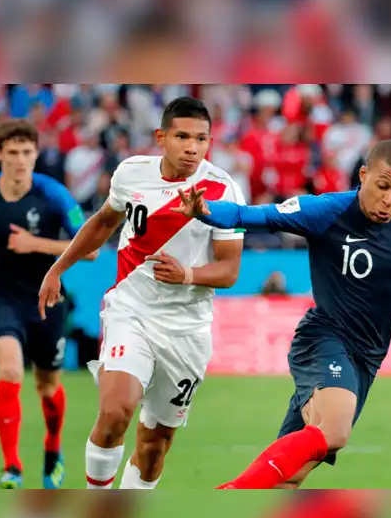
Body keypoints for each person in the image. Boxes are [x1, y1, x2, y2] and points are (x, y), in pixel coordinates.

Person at [174, 139, 391, 489]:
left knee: (290, 475)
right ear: (364, 175)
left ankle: (231, 512)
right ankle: (230, 491)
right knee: (336, 431)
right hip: (325, 339)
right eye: (383, 187)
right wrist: (205, 211)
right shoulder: (327, 211)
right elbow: (256, 216)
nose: (390, 200)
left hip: (368, 358)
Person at [38, 96, 247, 490]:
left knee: (153, 448)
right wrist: (58, 268)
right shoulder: (131, 173)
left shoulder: (222, 189)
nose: (192, 147)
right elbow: (102, 224)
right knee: (116, 410)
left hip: (187, 330)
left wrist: (187, 274)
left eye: (201, 139)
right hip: (131, 311)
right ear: (160, 137)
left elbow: (229, 270)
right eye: (182, 136)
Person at [0, 119, 96, 489]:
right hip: (1, 296)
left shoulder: (54, 195)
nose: (20, 160)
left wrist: (36, 244)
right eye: (13, 153)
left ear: (36, 154)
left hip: (46, 299)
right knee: (10, 372)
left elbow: (89, 250)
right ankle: (12, 467)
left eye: (27, 153)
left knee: (46, 386)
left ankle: (52, 451)